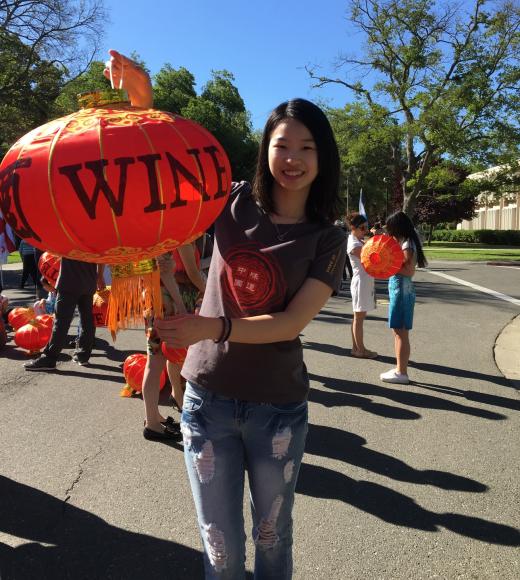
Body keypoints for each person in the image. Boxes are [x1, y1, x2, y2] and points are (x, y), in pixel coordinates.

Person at [105, 50, 347, 579]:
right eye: (282, 145)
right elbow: (165, 178)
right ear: (266, 151)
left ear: (322, 157)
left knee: (272, 539)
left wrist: (209, 327)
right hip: (207, 402)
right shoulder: (231, 201)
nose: (293, 158)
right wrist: (143, 106)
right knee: (219, 549)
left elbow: (291, 323)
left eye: (307, 147)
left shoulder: (327, 237)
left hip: (278, 411)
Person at [24, 258, 105, 370]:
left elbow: (57, 248)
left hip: (69, 280)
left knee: (61, 321)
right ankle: (83, 355)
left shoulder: (70, 239)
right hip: (88, 280)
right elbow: (101, 254)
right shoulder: (96, 239)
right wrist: (99, 276)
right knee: (87, 320)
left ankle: (49, 358)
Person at [380, 211, 427, 384]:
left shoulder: (407, 244)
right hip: (401, 289)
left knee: (400, 332)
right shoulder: (409, 241)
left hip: (401, 288)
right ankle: (400, 368)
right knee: (399, 332)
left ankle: (402, 372)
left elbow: (408, 270)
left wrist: (387, 263)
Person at [347, 213, 377, 358]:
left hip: (363, 281)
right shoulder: (354, 244)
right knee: (359, 318)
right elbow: (372, 257)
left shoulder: (357, 240)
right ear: (353, 228)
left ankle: (356, 348)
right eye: (363, 227)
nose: (365, 230)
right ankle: (360, 350)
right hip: (361, 282)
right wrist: (374, 239)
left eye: (367, 227)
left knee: (357, 317)